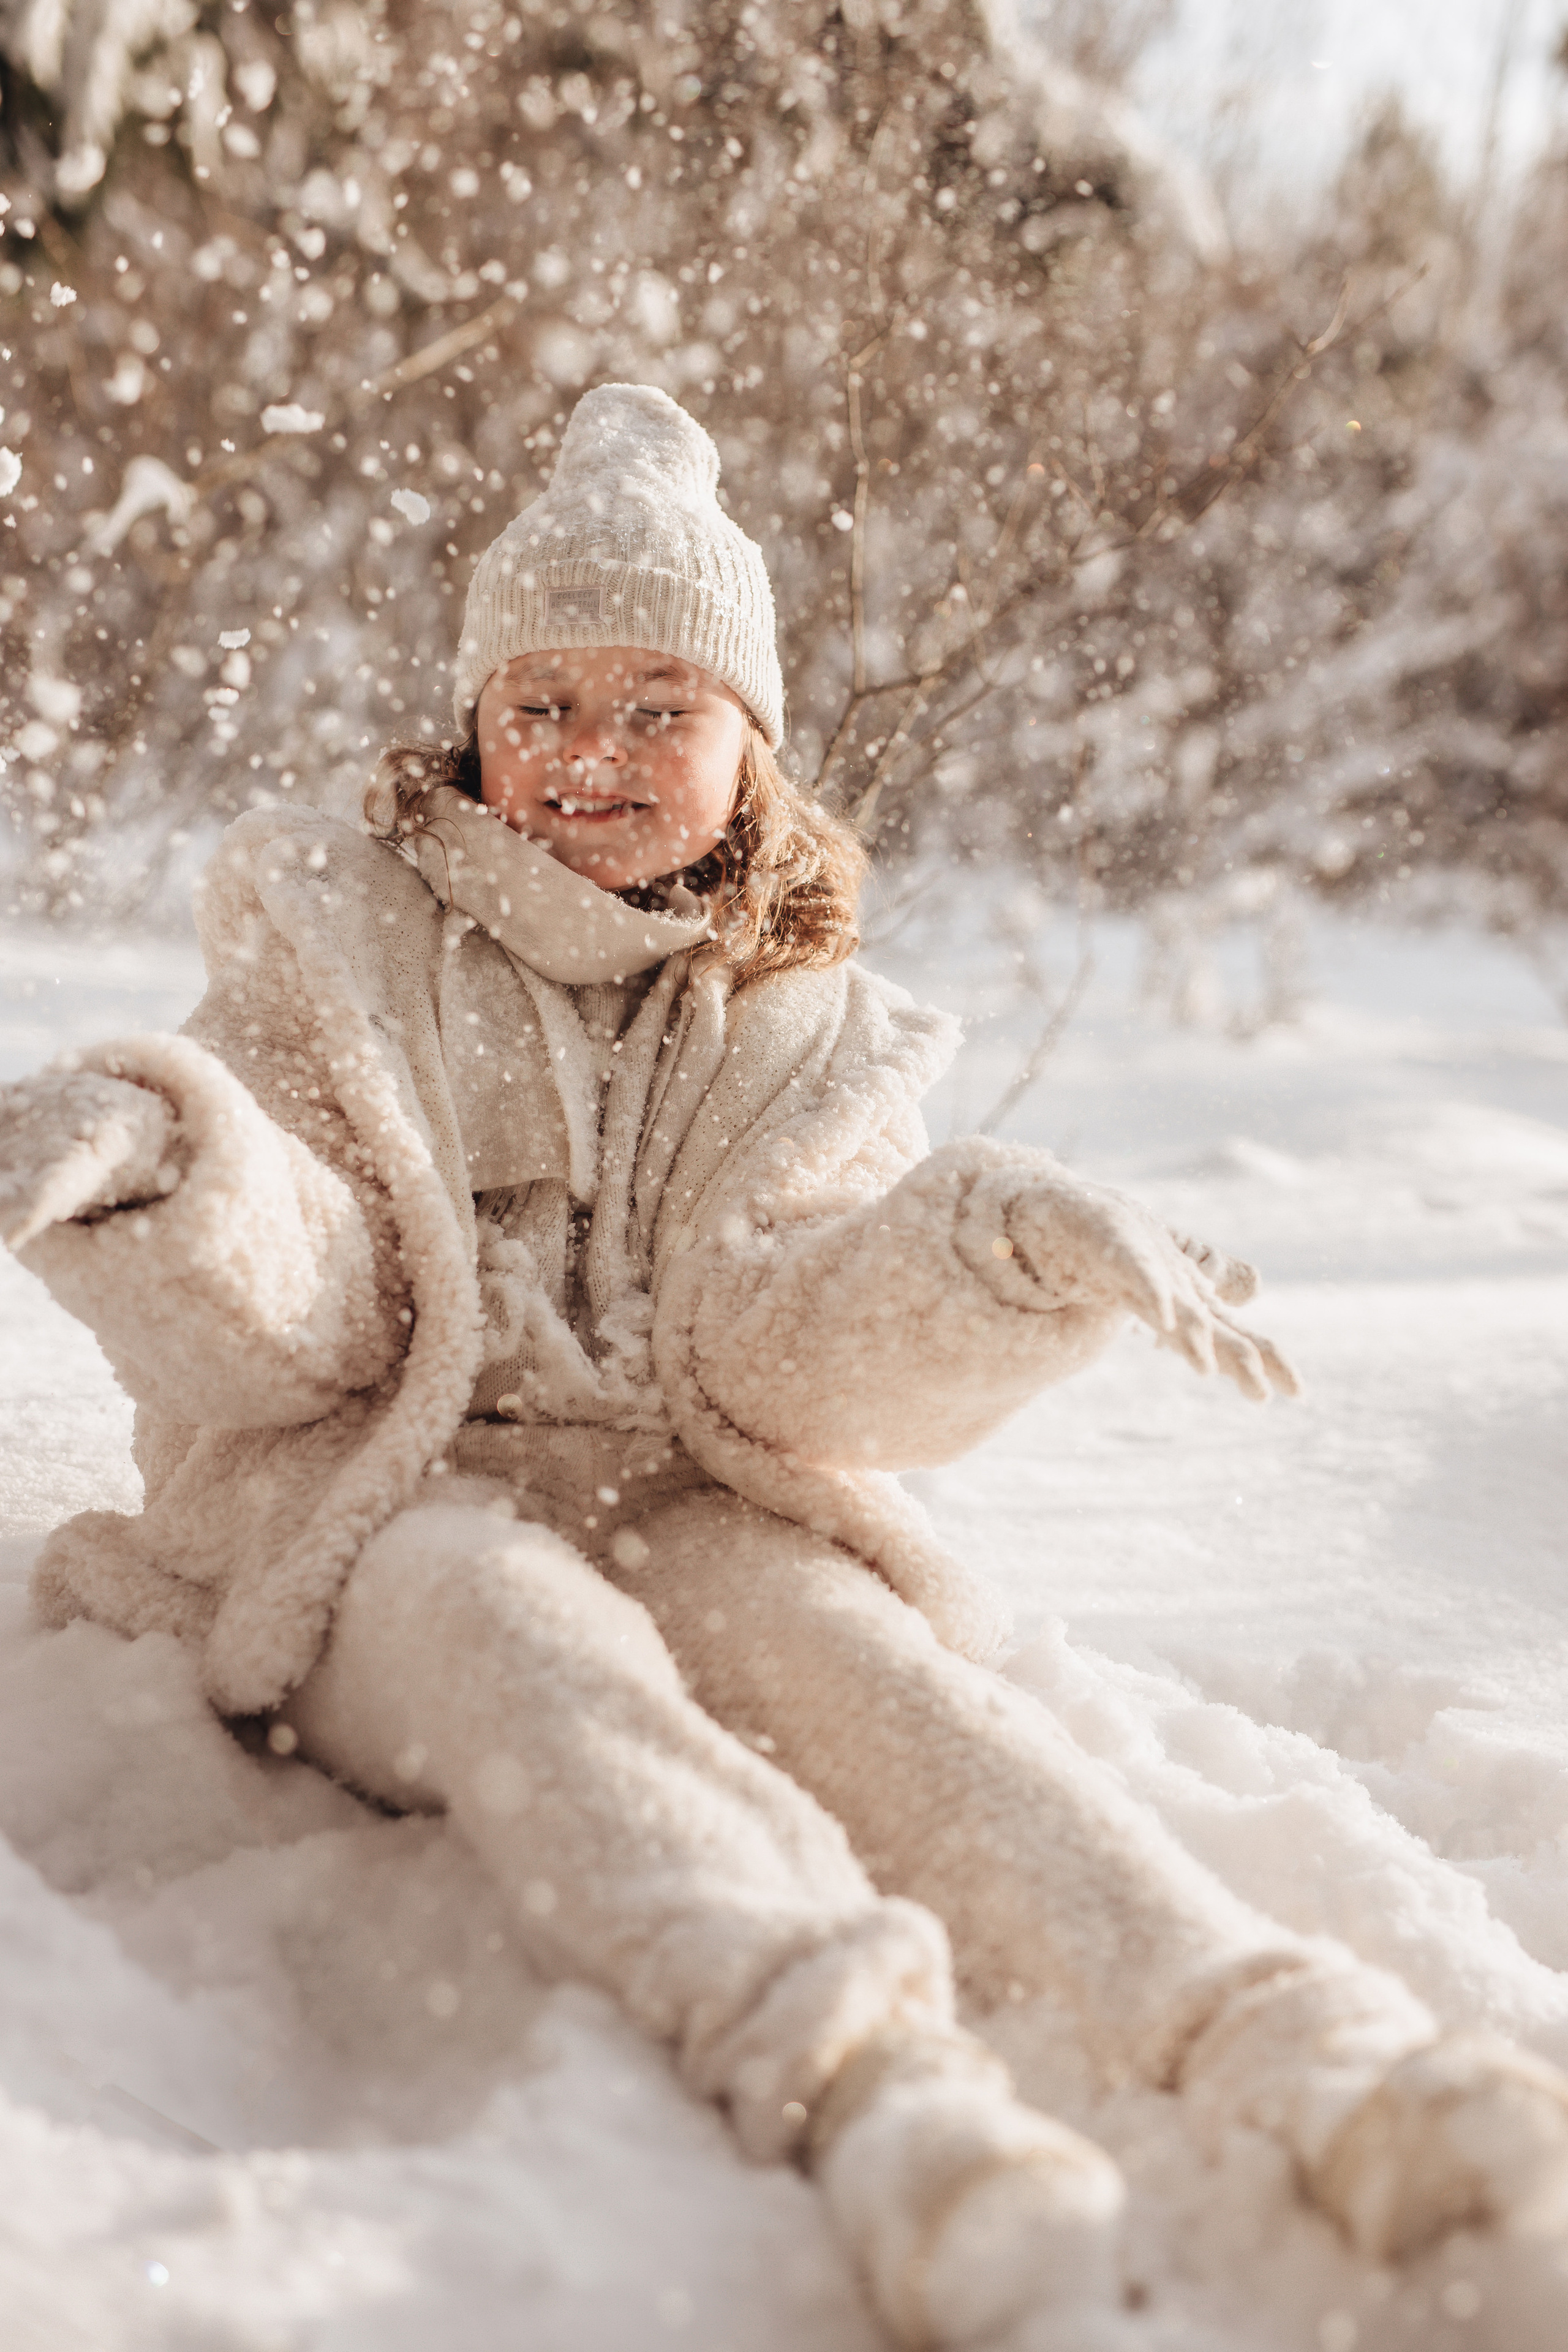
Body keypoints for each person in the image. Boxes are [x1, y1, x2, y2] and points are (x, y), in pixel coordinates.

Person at [3, 383, 1565, 2350]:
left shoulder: (809, 1026)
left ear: (753, 750)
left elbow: (784, 1341)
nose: (590, 758)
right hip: (375, 1499)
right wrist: (170, 1158)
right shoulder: (334, 939)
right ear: (475, 723)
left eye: (657, 709)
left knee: (877, 1678)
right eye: (544, 706)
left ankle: (1313, 2057)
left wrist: (997, 1249)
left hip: (688, 1492)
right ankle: (874, 2094)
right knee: (509, 1633)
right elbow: (316, 1298)